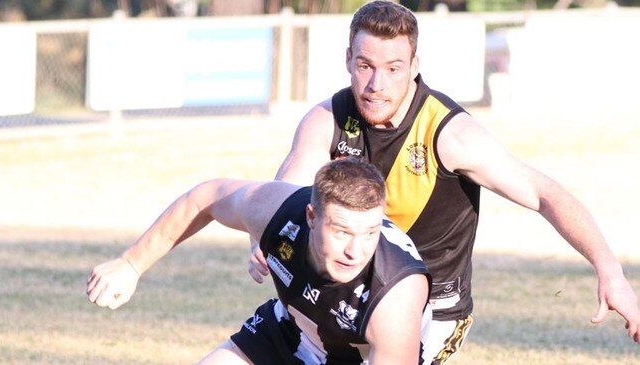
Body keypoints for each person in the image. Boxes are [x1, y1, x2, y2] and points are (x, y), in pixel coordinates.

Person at [246, 1, 640, 364]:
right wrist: (261, 237)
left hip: (432, 311)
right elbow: (286, 195)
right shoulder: (327, 118)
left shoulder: (449, 134)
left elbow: (543, 194)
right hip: (346, 293)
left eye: (394, 68)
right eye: (365, 66)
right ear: (348, 59)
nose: (376, 84)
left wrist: (610, 271)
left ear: (415, 65)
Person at [86, 158, 433, 364]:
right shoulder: (280, 213)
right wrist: (131, 264)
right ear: (311, 216)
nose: (355, 251)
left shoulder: (396, 294)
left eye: (369, 233)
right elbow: (205, 198)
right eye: (342, 231)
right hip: (292, 329)